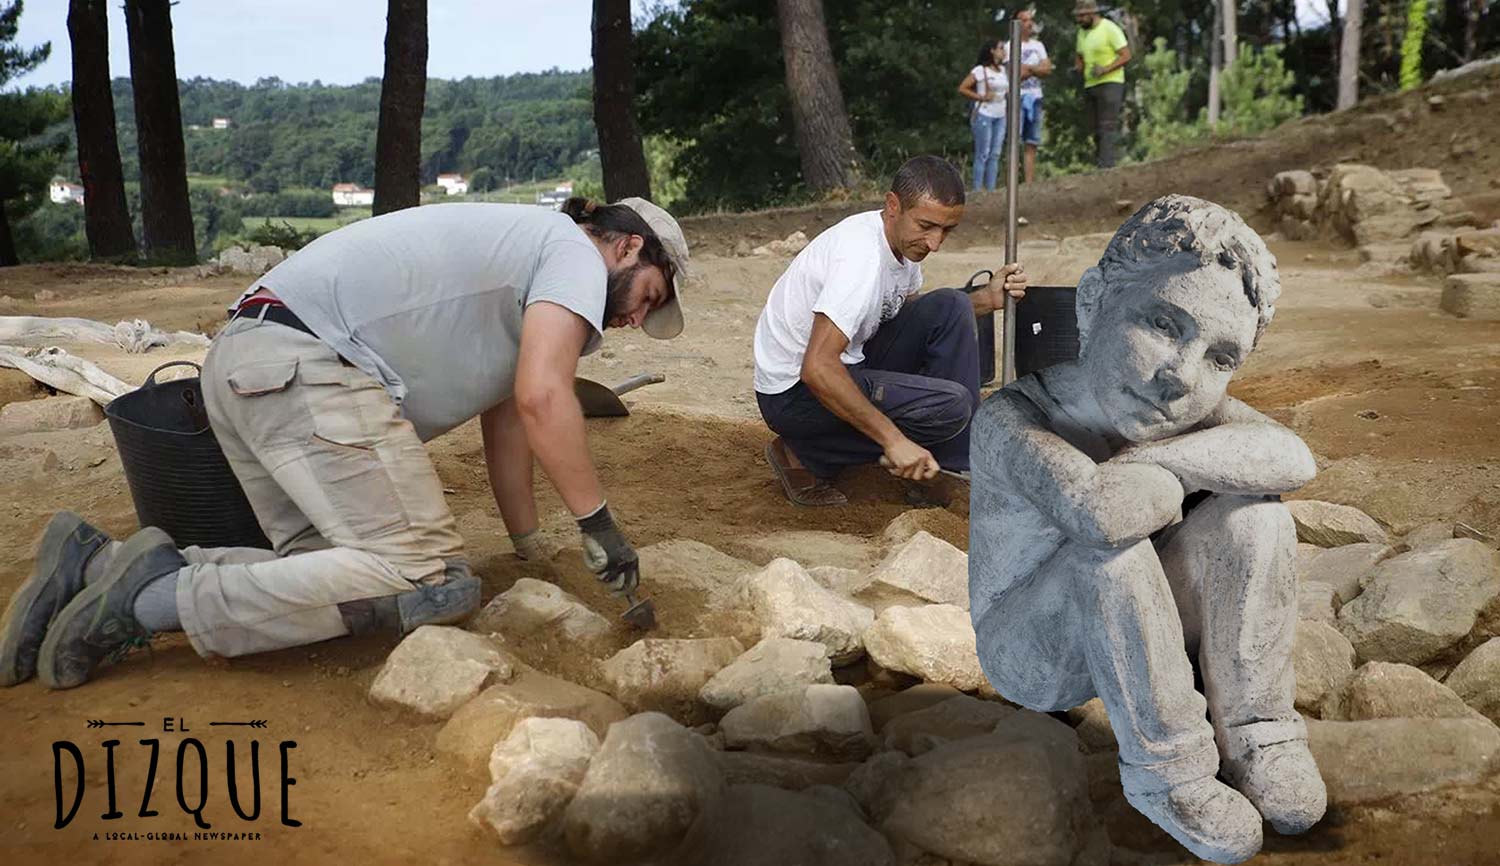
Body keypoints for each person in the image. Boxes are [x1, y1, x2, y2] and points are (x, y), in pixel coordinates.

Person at [0, 197, 690, 690]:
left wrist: (528, 550)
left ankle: (96, 567)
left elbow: (509, 418)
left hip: (249, 364)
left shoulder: (523, 263)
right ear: (627, 245)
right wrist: (598, 523)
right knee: (428, 579)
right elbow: (546, 399)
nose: (635, 318)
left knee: (328, 578)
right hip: (306, 368)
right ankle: (148, 601)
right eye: (649, 296)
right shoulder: (570, 249)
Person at [969, 196, 1325, 864]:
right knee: (1106, 554)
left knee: (1258, 516)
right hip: (1032, 653)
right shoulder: (1015, 418)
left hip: (1134, 618)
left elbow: (1290, 456)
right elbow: (1101, 512)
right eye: (1165, 325)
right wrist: (1188, 472)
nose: (1180, 379)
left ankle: (1258, 730)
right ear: (1096, 299)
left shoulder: (1177, 419)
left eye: (1220, 359)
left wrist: (1158, 463)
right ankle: (1170, 772)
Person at [754, 155, 1028, 507]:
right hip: (794, 395)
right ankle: (805, 453)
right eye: (926, 226)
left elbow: (911, 318)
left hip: (848, 363)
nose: (935, 244)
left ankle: (952, 467)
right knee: (949, 407)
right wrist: (892, 439)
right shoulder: (859, 260)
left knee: (951, 306)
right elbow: (817, 368)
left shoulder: (898, 246)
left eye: (946, 230)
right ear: (893, 205)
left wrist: (985, 299)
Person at [1073, 0, 1131, 169]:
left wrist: (1106, 69)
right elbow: (1079, 55)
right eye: (1078, 17)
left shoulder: (1109, 28)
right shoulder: (1082, 33)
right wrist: (1078, 67)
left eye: (1083, 16)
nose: (1080, 20)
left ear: (1093, 13)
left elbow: (1126, 55)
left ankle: (1107, 166)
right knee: (1094, 127)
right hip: (1090, 84)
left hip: (1110, 82)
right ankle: (1100, 163)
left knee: (1107, 125)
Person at [958, 38, 1009, 193]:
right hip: (984, 113)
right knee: (983, 152)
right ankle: (977, 189)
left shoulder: (1003, 71)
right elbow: (963, 88)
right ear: (992, 50)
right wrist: (981, 97)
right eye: (1000, 48)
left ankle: (991, 189)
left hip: (1000, 114)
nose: (1003, 51)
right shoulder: (981, 70)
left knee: (995, 153)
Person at [1015, 8, 1053, 185]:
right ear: (1015, 23)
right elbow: (1014, 74)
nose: (1028, 23)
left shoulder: (1038, 46)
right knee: (1014, 142)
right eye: (1024, 20)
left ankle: (1029, 183)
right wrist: (1035, 69)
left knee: (1032, 142)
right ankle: (1014, 181)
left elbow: (1047, 69)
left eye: (1030, 20)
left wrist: (1027, 69)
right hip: (1016, 97)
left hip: (1035, 96)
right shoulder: (1009, 46)